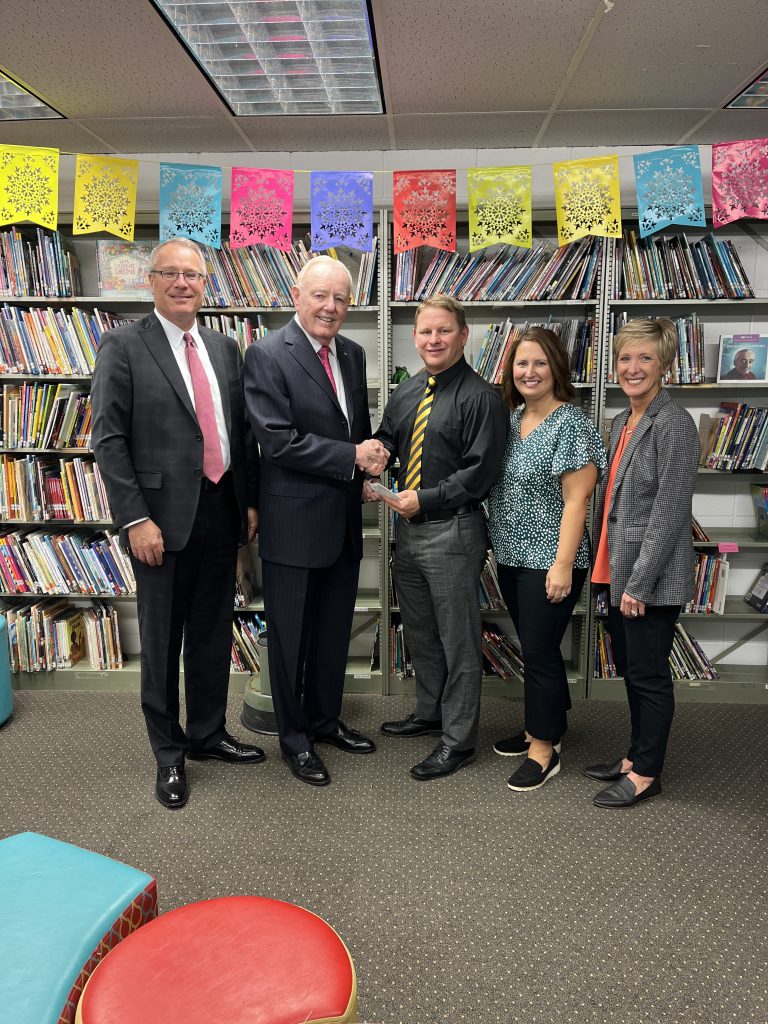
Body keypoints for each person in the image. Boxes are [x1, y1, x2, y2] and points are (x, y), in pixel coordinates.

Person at [91, 237, 263, 810]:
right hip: (159, 524)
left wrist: (249, 503)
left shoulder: (223, 348)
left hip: (220, 512)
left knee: (213, 635)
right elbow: (109, 440)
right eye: (171, 273)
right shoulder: (122, 345)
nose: (183, 283)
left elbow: (237, 433)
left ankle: (208, 734)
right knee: (163, 644)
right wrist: (135, 517)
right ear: (153, 280)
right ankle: (168, 756)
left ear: (204, 282)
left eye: (192, 275)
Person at [243, 256, 385, 787]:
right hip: (294, 522)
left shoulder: (350, 353)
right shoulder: (265, 354)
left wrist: (369, 460)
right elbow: (277, 440)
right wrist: (353, 457)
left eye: (341, 299)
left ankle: (326, 722)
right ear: (297, 295)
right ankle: (295, 739)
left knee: (331, 634)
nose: (330, 307)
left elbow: (358, 428)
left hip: (343, 521)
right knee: (291, 640)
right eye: (320, 296)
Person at [371, 295, 508, 780]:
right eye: (426, 331)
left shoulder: (482, 398)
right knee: (422, 632)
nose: (433, 340)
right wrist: (376, 454)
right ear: (415, 337)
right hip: (407, 532)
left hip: (453, 531)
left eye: (444, 331)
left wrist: (423, 500)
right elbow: (390, 439)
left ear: (463, 335)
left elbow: (480, 474)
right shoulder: (407, 392)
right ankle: (429, 713)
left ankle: (458, 740)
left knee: (458, 642)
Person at [586, 317, 700, 808]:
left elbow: (670, 512)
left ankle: (647, 772)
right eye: (625, 358)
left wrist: (638, 584)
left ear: (665, 365)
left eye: (645, 358)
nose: (632, 368)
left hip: (647, 578)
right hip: (616, 569)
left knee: (649, 675)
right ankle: (634, 754)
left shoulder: (674, 424)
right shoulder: (621, 421)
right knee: (632, 670)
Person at [487, 327, 606, 792]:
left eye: (539, 363)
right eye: (521, 363)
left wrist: (561, 565)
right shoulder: (511, 417)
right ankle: (542, 724)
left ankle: (544, 749)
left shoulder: (570, 423)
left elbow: (578, 501)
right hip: (513, 553)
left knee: (537, 652)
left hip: (552, 558)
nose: (529, 372)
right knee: (538, 649)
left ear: (557, 368)